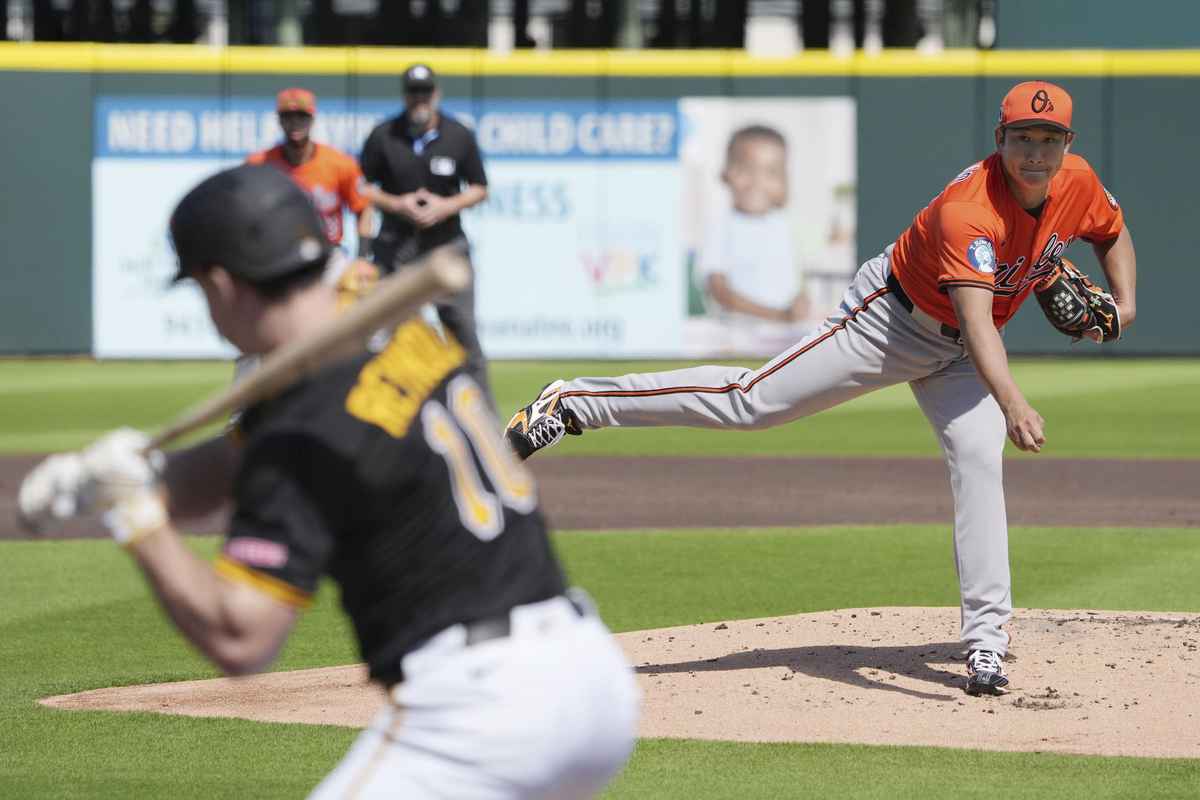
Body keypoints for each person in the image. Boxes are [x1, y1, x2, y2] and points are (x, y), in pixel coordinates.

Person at [18, 164, 639, 798]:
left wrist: (136, 520)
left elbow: (242, 637)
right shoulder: (391, 326)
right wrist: (121, 477)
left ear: (223, 283)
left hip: (481, 711)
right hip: (588, 673)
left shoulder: (302, 425)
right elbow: (236, 464)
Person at [504, 81, 1137, 696]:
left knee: (979, 462)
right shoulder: (969, 210)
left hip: (968, 347)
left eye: (1049, 139)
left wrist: (1126, 307)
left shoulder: (1075, 181)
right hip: (891, 322)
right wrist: (1014, 402)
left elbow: (1111, 230)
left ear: (1067, 144)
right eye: (1023, 136)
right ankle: (574, 403)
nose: (1036, 152)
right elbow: (974, 321)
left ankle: (986, 643)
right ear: (999, 138)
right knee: (750, 401)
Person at [358, 63, 493, 404]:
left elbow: (479, 188)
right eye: (413, 92)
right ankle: (387, 425)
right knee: (387, 336)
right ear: (405, 95)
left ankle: (488, 427)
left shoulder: (457, 134)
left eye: (425, 91)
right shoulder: (384, 134)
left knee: (464, 337)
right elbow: (360, 186)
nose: (420, 99)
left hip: (446, 245)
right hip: (396, 247)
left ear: (436, 94)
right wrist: (398, 203)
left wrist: (445, 206)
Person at [247, 87, 379, 306]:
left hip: (328, 256)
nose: (295, 122)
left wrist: (363, 257)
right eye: (288, 116)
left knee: (352, 305)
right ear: (279, 120)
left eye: (302, 116)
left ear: (312, 119)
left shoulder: (339, 164)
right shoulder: (260, 164)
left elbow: (363, 208)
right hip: (280, 256)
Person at [700, 124, 809, 327]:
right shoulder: (721, 227)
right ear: (725, 174)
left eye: (772, 172)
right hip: (736, 334)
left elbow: (794, 282)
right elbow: (719, 291)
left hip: (784, 334)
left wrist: (800, 304)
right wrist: (776, 316)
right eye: (746, 169)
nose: (757, 181)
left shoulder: (783, 226)